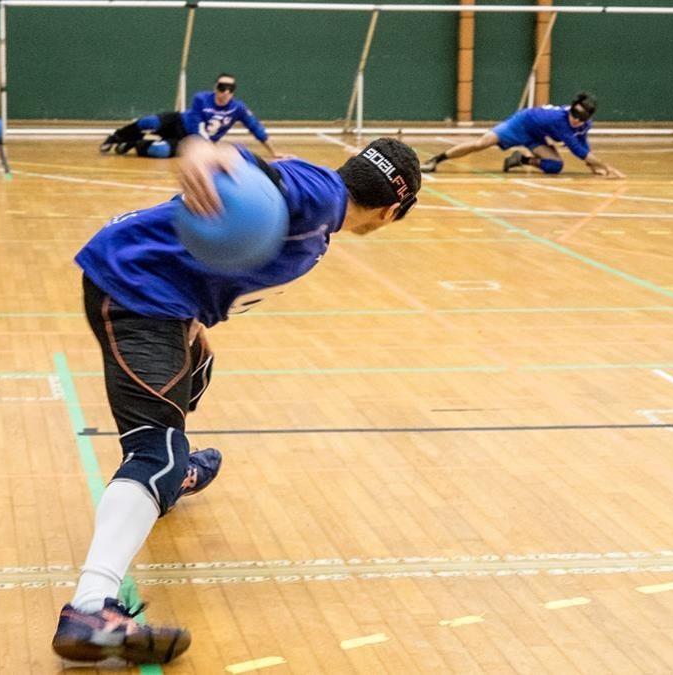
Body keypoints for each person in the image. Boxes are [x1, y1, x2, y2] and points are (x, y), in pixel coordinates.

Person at [51, 135, 421, 664]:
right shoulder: (321, 196)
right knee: (155, 453)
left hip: (164, 296)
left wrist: (197, 317)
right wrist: (204, 150)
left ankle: (166, 481)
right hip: (135, 291)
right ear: (390, 211)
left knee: (197, 369)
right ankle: (90, 607)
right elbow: (253, 169)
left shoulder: (320, 216)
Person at [420, 92, 624, 177]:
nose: (576, 120)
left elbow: (583, 143)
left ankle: (521, 159)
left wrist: (593, 167)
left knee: (555, 166)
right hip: (521, 123)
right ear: (570, 109)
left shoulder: (583, 124)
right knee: (481, 143)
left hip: (536, 136)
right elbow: (578, 151)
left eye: (581, 118)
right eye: (574, 115)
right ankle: (437, 159)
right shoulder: (560, 122)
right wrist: (606, 167)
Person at [99, 73, 286, 159]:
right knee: (149, 122)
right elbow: (196, 125)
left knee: (160, 151)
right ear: (215, 88)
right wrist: (209, 147)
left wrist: (273, 152)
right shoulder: (201, 99)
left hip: (191, 142)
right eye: (222, 87)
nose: (225, 92)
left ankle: (132, 144)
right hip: (180, 122)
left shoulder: (238, 108)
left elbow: (256, 127)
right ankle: (116, 137)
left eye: (230, 89)